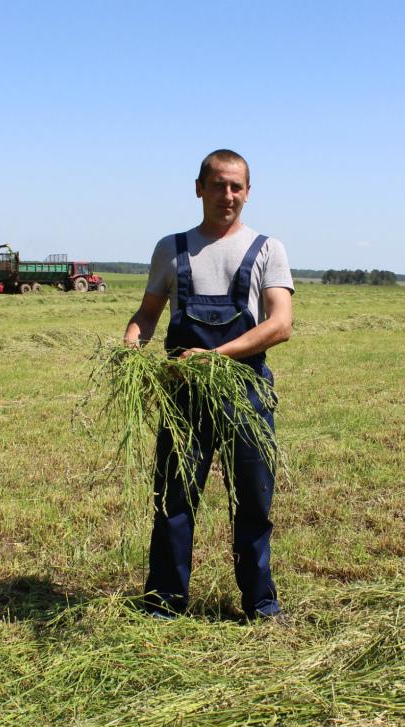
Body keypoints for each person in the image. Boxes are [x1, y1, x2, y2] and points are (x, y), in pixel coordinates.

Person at [124, 149, 294, 621]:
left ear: (248, 192)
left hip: (246, 392)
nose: (228, 195)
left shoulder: (267, 250)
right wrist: (131, 349)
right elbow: (146, 315)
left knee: (254, 502)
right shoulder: (171, 248)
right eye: (218, 185)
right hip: (184, 397)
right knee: (174, 501)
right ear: (199, 187)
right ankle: (164, 604)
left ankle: (260, 605)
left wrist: (214, 357)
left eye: (237, 186)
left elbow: (280, 324)